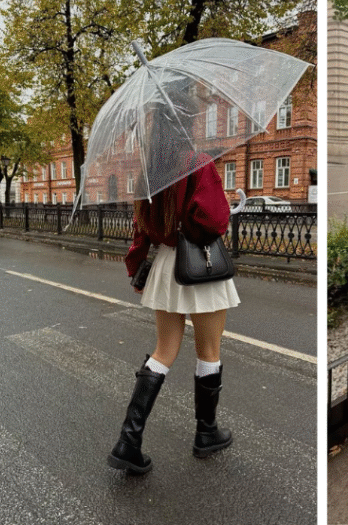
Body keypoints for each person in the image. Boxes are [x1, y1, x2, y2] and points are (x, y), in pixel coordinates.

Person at [109, 152, 240, 474]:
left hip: (167, 265)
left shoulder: (150, 171)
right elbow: (214, 221)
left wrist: (137, 266)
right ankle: (206, 433)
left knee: (163, 351)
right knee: (209, 351)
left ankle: (129, 441)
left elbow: (141, 228)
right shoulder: (198, 163)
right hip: (199, 264)